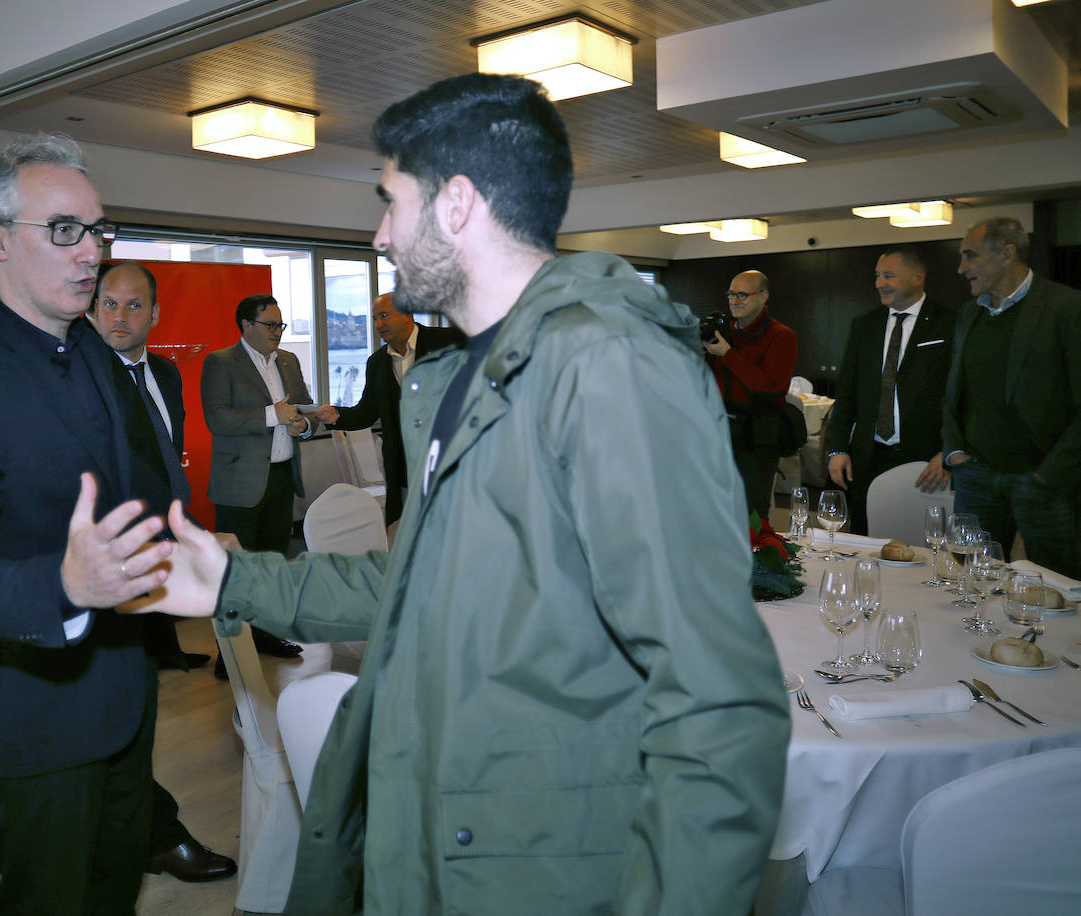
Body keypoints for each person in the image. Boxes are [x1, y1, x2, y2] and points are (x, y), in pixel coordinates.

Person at [123, 74, 789, 914]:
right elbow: (404, 586)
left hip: (535, 869)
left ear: (459, 203)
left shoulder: (607, 366)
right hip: (437, 841)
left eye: (390, 204)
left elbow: (719, 709)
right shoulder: (453, 379)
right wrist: (228, 582)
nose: (377, 236)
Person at [0, 133, 182, 914]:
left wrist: (177, 540)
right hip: (33, 719)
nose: (91, 252)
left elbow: (129, 485)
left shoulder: (89, 346)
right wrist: (64, 582)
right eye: (65, 230)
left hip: (121, 691)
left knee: (114, 891)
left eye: (98, 230)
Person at [87, 259, 238, 884]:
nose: (117, 318)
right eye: (107, 305)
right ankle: (150, 834)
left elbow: (164, 465)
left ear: (155, 314)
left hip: (159, 556)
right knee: (120, 710)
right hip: (111, 568)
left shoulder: (168, 374)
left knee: (134, 708)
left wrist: (187, 527)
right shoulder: (82, 378)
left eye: (131, 306)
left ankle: (139, 832)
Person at [944, 216, 1081, 577]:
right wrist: (955, 452)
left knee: (1055, 588)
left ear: (1007, 253)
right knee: (972, 580)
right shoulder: (969, 314)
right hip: (975, 476)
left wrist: (1046, 477)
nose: (961, 269)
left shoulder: (1066, 308)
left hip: (1041, 481)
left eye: (970, 256)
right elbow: (955, 390)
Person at [199, 293, 311, 665]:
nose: (277, 332)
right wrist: (273, 415)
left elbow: (303, 409)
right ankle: (228, 654)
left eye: (280, 325)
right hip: (239, 484)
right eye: (270, 325)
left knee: (272, 564)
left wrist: (303, 424)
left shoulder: (290, 361)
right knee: (236, 570)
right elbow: (217, 418)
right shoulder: (221, 362)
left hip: (281, 477)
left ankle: (267, 636)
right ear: (246, 325)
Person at [825, 247, 957, 534]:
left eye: (889, 276)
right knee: (865, 539)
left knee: (923, 542)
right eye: (877, 276)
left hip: (925, 459)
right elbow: (846, 393)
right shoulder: (864, 325)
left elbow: (960, 396)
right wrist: (837, 448)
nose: (879, 283)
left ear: (917, 277)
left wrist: (948, 452)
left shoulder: (949, 323)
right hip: (868, 457)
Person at [313, 293, 464, 523]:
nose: (379, 324)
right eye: (374, 319)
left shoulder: (450, 342)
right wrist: (335, 415)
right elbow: (365, 413)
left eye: (384, 316)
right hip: (404, 472)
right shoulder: (377, 363)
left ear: (407, 315)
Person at [703, 269, 799, 517]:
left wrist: (728, 355)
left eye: (743, 295)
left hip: (756, 440)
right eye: (731, 294)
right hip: (718, 435)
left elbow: (771, 389)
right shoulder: (722, 332)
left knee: (752, 516)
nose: (734, 301)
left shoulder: (780, 336)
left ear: (763, 296)